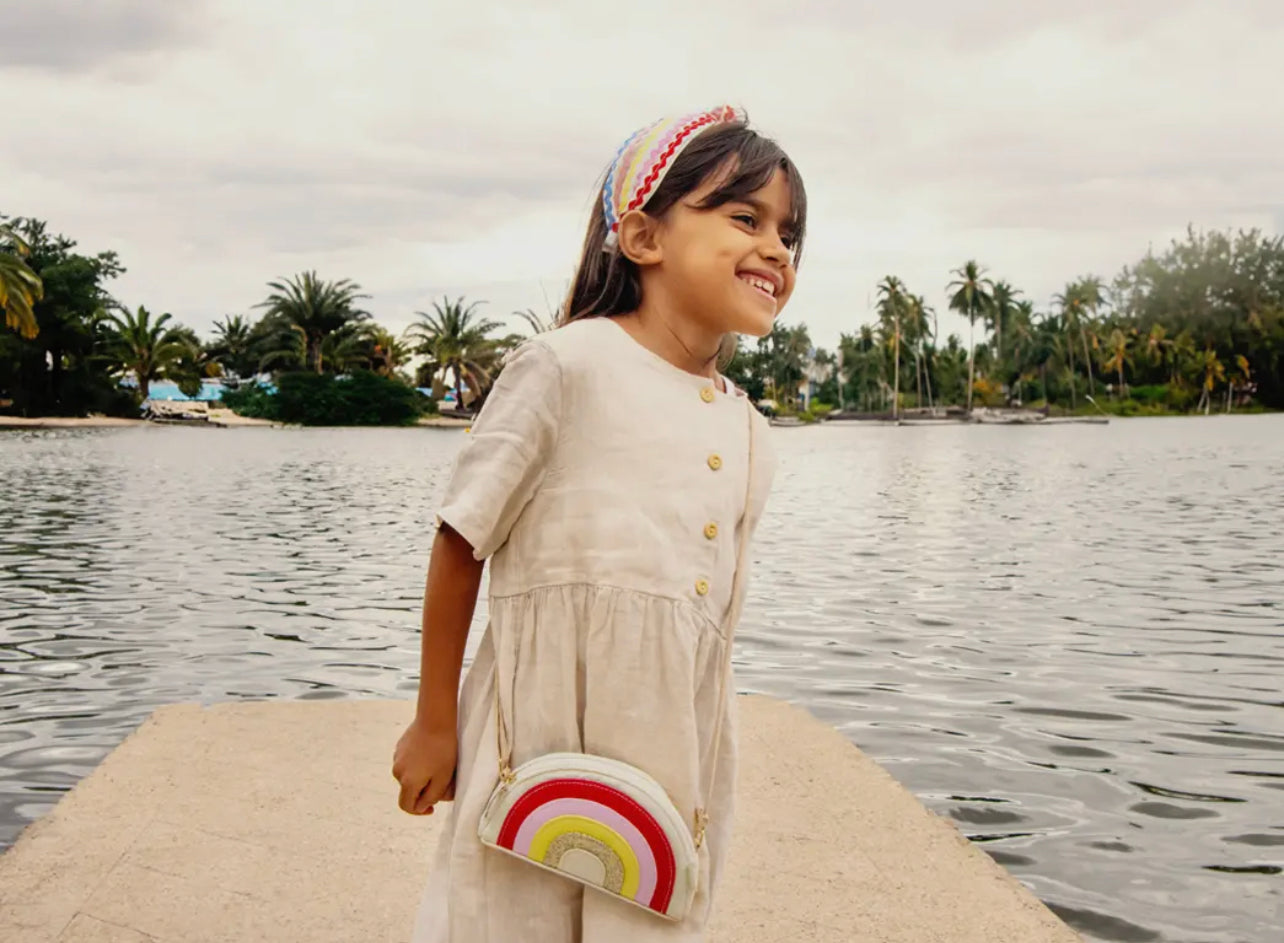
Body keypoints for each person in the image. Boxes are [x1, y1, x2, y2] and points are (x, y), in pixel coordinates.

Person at [392, 105, 807, 942]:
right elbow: (460, 538)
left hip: (670, 750)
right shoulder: (565, 365)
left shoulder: (749, 429)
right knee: (510, 915)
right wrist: (435, 718)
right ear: (645, 237)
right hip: (541, 733)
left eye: (788, 233)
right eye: (743, 217)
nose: (775, 248)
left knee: (648, 914)